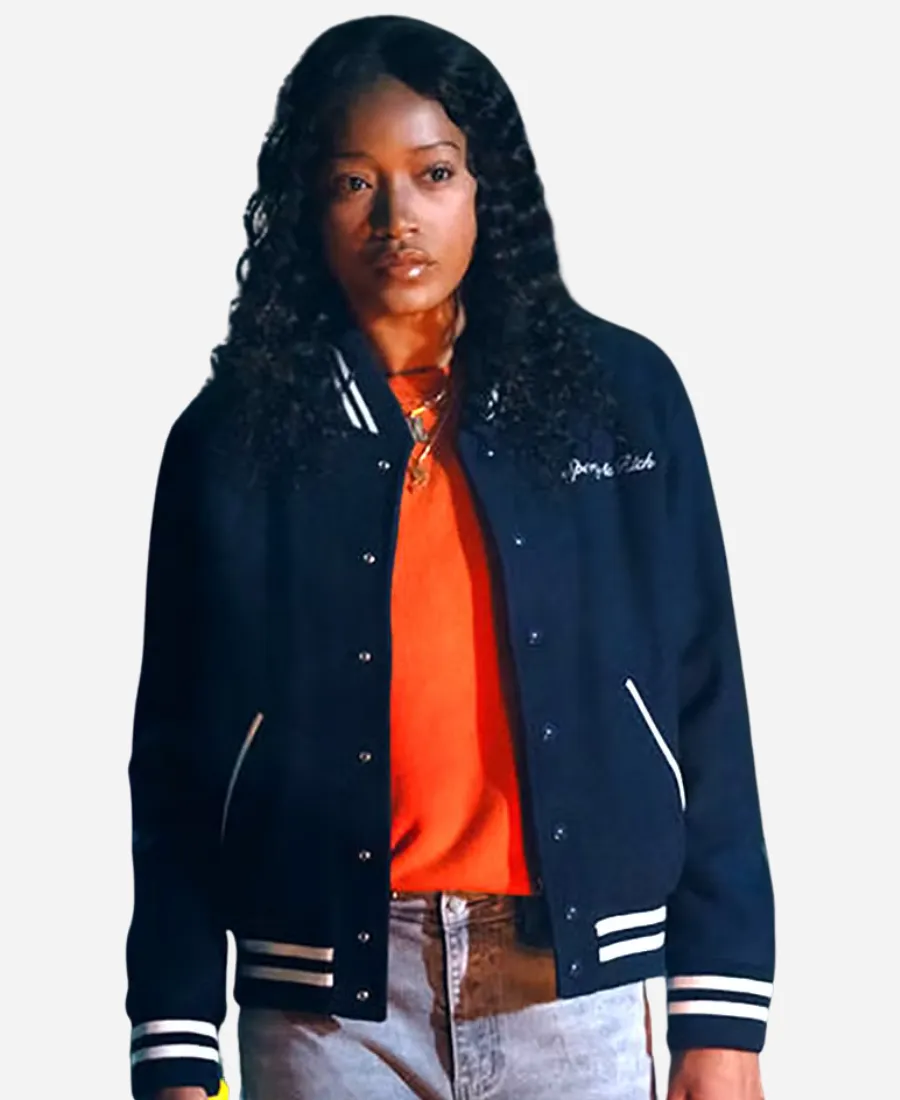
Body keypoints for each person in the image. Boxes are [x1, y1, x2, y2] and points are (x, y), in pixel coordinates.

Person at [125, 14, 775, 1100]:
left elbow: (705, 700)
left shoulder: (619, 398)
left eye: (433, 173)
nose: (397, 219)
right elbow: (177, 762)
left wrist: (723, 1013)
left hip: (572, 983)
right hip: (327, 1009)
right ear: (307, 203)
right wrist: (175, 1037)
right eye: (353, 182)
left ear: (486, 187)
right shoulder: (232, 440)